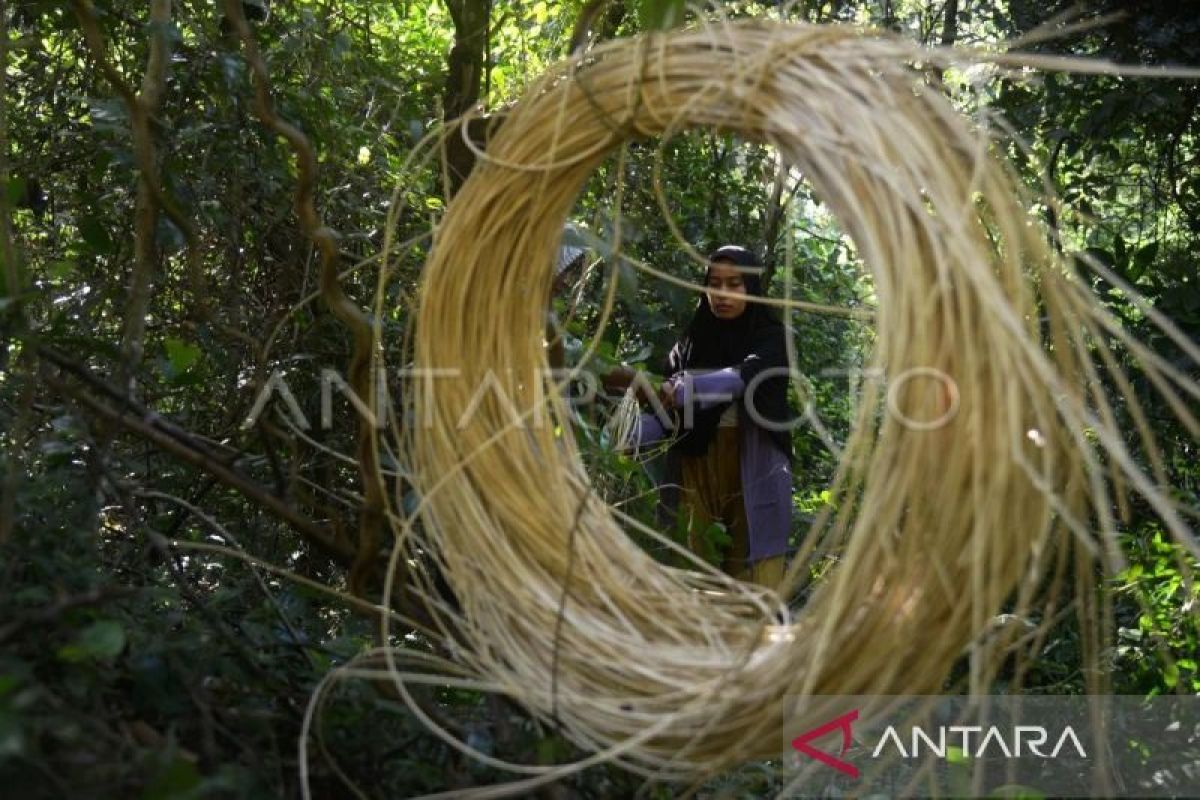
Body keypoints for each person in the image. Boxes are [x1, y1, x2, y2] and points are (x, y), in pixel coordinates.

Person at [623, 245, 795, 589]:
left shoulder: (772, 338)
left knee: (753, 573)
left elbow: (744, 376)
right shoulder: (692, 340)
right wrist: (627, 434)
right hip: (695, 463)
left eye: (734, 284)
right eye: (715, 283)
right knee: (690, 563)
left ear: (752, 288)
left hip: (754, 464)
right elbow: (667, 409)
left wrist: (687, 387)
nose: (722, 294)